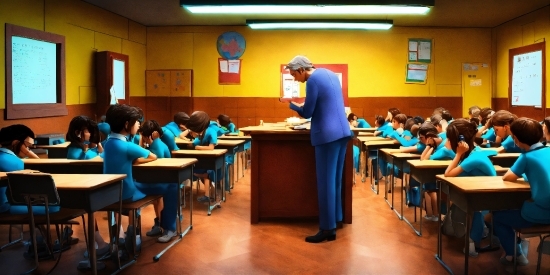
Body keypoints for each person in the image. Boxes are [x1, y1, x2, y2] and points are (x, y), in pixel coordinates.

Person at [285, 55, 351, 243]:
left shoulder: (312, 80)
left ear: (301, 70)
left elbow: (307, 112)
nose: (295, 79)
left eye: (294, 75)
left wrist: (291, 104)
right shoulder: (328, 74)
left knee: (325, 183)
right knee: (335, 180)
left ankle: (327, 228)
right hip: (342, 132)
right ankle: (336, 218)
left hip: (327, 136)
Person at [103, 104, 178, 243]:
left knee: (140, 182)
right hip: (127, 193)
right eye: (136, 122)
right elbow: (152, 157)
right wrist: (135, 160)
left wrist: (131, 160)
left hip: (111, 193)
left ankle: (130, 232)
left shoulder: (108, 143)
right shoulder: (127, 146)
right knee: (171, 186)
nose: (138, 125)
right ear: (126, 124)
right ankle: (170, 228)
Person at [493, 117, 550, 266]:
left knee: (498, 218)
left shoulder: (526, 157)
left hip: (542, 213)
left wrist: (525, 173)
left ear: (516, 139)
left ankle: (514, 255)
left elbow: (508, 177)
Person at [444, 118, 497, 257]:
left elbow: (448, 174)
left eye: (450, 138)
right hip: (480, 194)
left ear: (460, 140)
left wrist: (458, 153)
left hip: (489, 199)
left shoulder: (474, 157)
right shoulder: (474, 151)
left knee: (471, 208)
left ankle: (473, 243)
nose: (447, 141)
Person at [188, 111, 223, 203]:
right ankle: (210, 194)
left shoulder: (211, 131)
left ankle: (211, 193)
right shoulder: (201, 133)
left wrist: (197, 147)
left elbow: (211, 148)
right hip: (201, 160)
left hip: (211, 160)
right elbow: (194, 143)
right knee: (199, 171)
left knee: (206, 173)